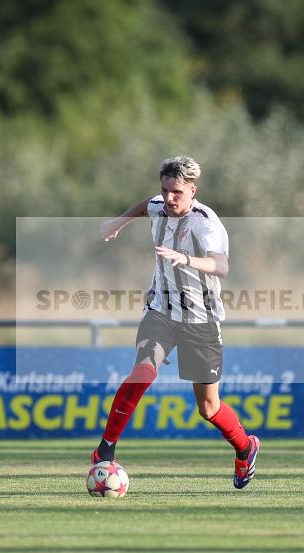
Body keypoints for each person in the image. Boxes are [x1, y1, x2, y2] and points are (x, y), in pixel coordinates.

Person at [90, 155, 260, 489]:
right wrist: (118, 223)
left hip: (201, 319)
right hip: (161, 312)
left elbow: (221, 266)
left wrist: (185, 259)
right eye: (165, 190)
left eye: (177, 192)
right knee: (143, 371)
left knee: (209, 408)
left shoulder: (205, 223)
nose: (169, 198)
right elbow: (144, 206)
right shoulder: (159, 205)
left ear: (192, 191)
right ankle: (105, 449)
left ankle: (245, 447)